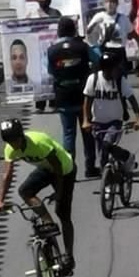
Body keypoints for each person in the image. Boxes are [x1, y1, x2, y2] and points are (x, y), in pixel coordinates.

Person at [0, 119, 76, 275]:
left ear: (22, 136)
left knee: (62, 212)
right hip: (46, 169)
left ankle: (69, 256)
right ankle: (47, 221)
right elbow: (7, 174)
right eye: (9, 142)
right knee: (25, 191)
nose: (13, 145)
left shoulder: (39, 142)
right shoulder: (10, 149)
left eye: (15, 140)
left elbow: (57, 166)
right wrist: (0, 199)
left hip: (64, 170)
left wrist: (58, 192)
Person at [83, 52, 139, 173]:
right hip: (97, 122)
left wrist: (138, 119)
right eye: (114, 69)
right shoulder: (93, 79)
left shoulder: (120, 81)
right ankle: (125, 158)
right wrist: (86, 120)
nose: (116, 71)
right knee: (104, 151)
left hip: (115, 122)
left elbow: (132, 100)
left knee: (106, 145)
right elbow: (87, 101)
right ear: (106, 69)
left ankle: (108, 179)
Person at [47, 17, 93, 174]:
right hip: (83, 96)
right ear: (74, 29)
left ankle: (69, 169)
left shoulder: (52, 50)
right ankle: (90, 167)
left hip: (63, 96)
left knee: (68, 134)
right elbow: (96, 60)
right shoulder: (82, 47)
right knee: (87, 131)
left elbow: (51, 71)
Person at [86, 0, 134, 66]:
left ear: (117, 3)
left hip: (119, 52)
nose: (109, 4)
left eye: (112, 1)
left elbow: (131, 33)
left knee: (119, 75)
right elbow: (88, 31)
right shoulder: (99, 16)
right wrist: (95, 23)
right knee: (106, 75)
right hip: (105, 50)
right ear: (104, 4)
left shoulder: (123, 18)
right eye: (107, 1)